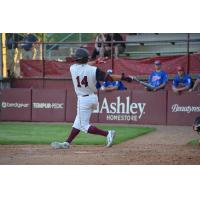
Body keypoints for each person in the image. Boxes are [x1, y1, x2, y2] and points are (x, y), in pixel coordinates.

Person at [51, 48, 132, 149]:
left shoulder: (72, 68)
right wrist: (124, 78)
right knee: (78, 122)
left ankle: (107, 133)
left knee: (83, 125)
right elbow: (109, 78)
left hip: (83, 100)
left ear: (77, 60)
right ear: (86, 58)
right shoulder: (94, 70)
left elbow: (83, 64)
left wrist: (94, 62)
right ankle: (67, 143)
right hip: (93, 98)